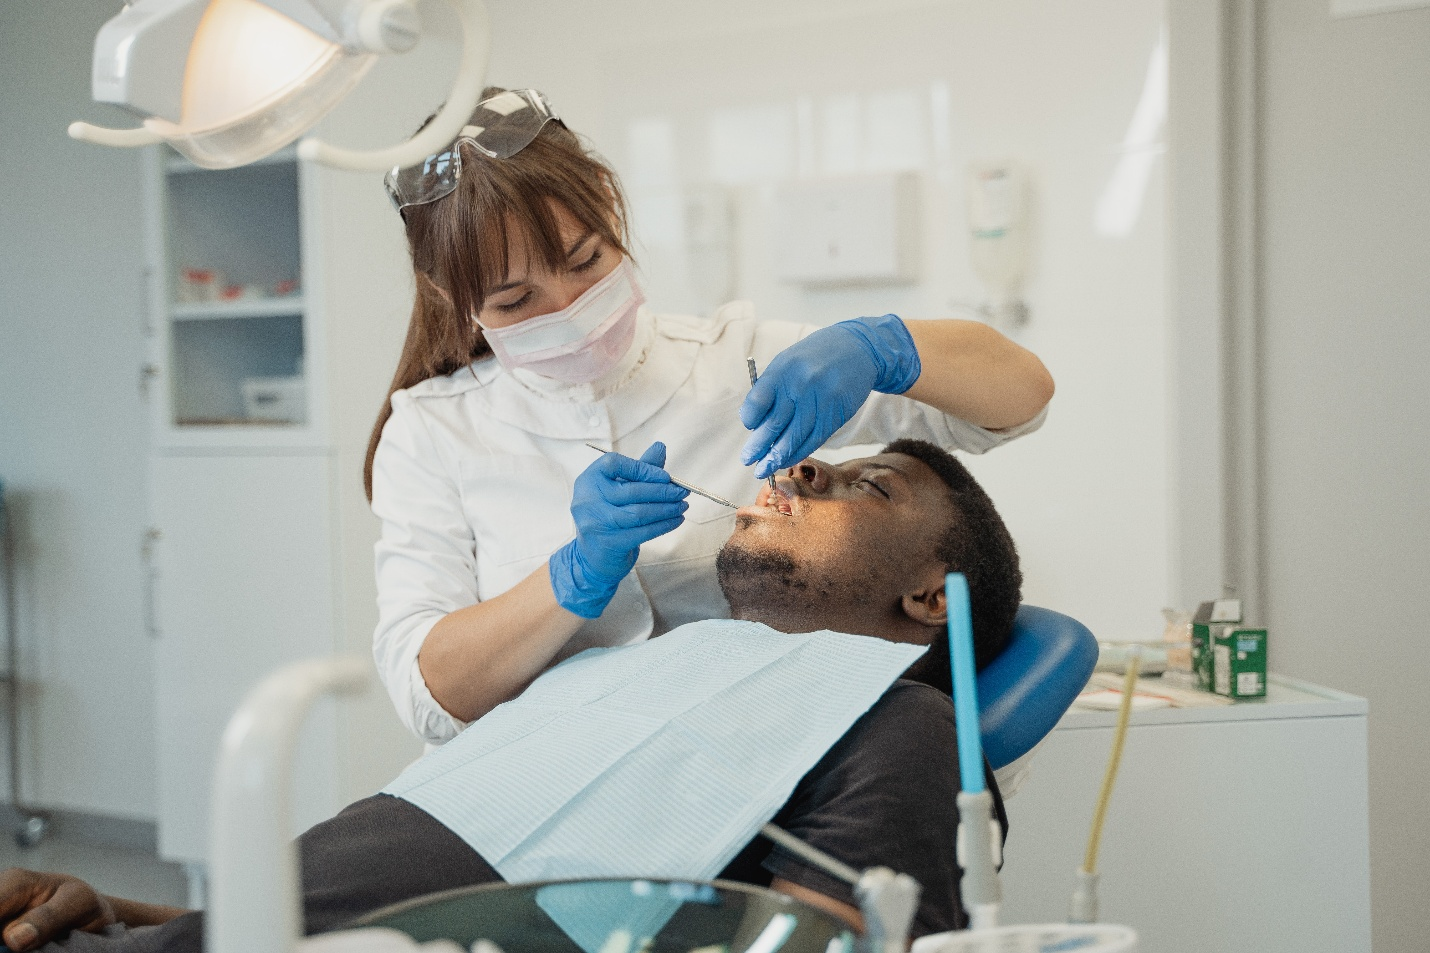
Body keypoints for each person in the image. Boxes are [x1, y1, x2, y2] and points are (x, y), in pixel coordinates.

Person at [0, 440, 1021, 953]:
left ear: (929, 594)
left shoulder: (898, 724)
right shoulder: (629, 664)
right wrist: (127, 918)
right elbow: (376, 907)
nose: (802, 466)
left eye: (869, 485)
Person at [368, 88, 1054, 744]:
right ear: (448, 293)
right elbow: (430, 696)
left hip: (733, 768)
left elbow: (1018, 400)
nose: (568, 310)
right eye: (516, 302)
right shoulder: (432, 434)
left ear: (609, 205)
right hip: (526, 786)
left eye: (584, 260)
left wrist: (886, 345)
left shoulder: (741, 362)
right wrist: (571, 576)